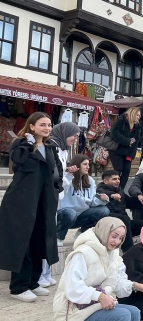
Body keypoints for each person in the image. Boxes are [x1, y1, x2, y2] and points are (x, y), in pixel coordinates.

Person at [0, 112, 63, 302]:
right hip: (21, 202)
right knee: (23, 242)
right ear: (32, 126)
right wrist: (28, 144)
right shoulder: (21, 144)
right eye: (42, 125)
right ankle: (18, 287)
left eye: (49, 125)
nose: (47, 128)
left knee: (40, 240)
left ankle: (33, 282)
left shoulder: (51, 147)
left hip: (44, 201)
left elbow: (57, 169)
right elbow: (17, 163)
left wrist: (56, 187)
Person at [53, 217, 143, 321]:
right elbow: (73, 288)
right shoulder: (83, 253)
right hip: (73, 310)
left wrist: (134, 286)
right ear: (104, 232)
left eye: (121, 238)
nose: (117, 241)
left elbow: (115, 282)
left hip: (95, 305)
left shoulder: (113, 253)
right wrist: (100, 296)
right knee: (123, 315)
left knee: (134, 311)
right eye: (114, 236)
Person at [39, 121, 80, 288]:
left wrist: (68, 175)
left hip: (56, 197)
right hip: (48, 197)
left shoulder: (63, 149)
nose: (75, 140)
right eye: (74, 136)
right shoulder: (52, 147)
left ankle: (46, 272)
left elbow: (61, 176)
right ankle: (41, 274)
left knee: (49, 237)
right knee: (44, 237)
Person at [57, 154, 110, 246]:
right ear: (77, 164)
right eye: (85, 164)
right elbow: (60, 191)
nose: (88, 167)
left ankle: (82, 233)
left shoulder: (90, 180)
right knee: (70, 213)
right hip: (63, 215)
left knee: (104, 210)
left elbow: (91, 201)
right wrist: (69, 176)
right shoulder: (66, 177)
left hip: (80, 215)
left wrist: (101, 199)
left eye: (88, 164)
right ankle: (59, 236)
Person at [98, 170, 142, 251]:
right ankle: (128, 251)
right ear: (105, 181)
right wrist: (111, 196)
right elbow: (103, 197)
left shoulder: (120, 191)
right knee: (123, 219)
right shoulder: (100, 192)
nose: (118, 181)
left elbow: (130, 203)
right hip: (110, 226)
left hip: (125, 224)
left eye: (118, 179)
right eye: (114, 179)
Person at [109, 107, 141, 190]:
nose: (138, 117)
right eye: (137, 115)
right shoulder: (121, 120)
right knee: (118, 170)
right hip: (117, 150)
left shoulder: (137, 126)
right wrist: (127, 141)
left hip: (128, 152)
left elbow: (136, 141)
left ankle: (121, 190)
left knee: (126, 171)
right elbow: (114, 133)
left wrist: (131, 155)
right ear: (132, 114)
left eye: (139, 116)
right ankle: (113, 188)